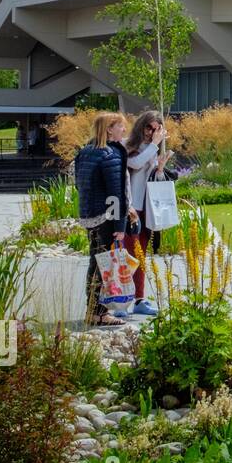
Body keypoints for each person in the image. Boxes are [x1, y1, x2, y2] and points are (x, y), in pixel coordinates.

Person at [74, 112, 130, 326]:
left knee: (95, 262)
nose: (124, 130)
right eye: (120, 127)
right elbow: (116, 193)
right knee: (103, 265)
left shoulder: (86, 152)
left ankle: (93, 310)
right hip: (105, 218)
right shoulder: (110, 154)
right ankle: (99, 312)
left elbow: (79, 185)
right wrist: (119, 225)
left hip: (89, 215)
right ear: (109, 129)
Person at [124, 110, 171, 317]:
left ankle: (139, 298)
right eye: (149, 128)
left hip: (147, 210)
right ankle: (120, 300)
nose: (152, 132)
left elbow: (153, 181)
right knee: (128, 255)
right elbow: (134, 164)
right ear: (141, 126)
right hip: (132, 208)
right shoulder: (129, 146)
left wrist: (160, 169)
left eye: (156, 129)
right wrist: (154, 145)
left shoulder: (153, 150)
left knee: (141, 255)